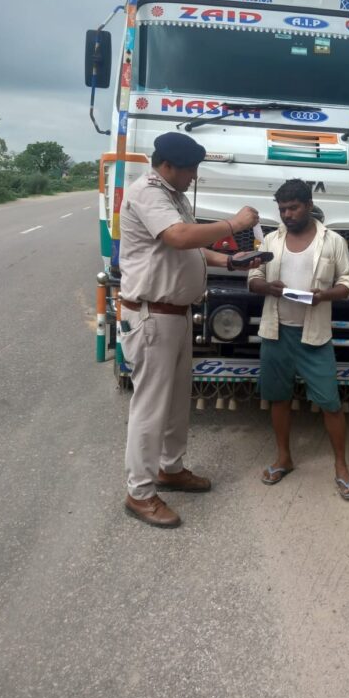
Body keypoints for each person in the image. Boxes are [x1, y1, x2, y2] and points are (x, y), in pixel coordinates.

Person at [119, 131, 259, 528]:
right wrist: (234, 224)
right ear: (167, 167)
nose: (194, 177)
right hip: (152, 316)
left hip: (176, 315)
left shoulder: (172, 195)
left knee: (178, 401)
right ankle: (140, 493)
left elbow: (192, 247)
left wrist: (230, 262)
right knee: (150, 408)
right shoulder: (147, 192)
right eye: (191, 170)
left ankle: (170, 468)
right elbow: (178, 237)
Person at [248, 179, 349, 500]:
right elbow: (253, 277)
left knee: (330, 402)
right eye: (282, 209)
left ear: (308, 205)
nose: (287, 214)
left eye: (293, 207)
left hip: (315, 336)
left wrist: (323, 295)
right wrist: (268, 287)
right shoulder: (269, 241)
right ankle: (284, 458)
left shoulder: (333, 242)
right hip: (276, 332)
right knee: (278, 398)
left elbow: (348, 282)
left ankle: (341, 466)